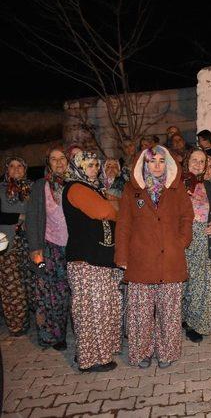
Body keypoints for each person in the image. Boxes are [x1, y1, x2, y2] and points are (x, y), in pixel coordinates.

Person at [116, 145, 193, 368]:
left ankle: (167, 352)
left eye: (161, 160)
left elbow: (187, 217)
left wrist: (181, 242)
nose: (157, 165)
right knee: (141, 312)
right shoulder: (132, 191)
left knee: (169, 311)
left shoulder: (177, 189)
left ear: (167, 163)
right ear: (144, 164)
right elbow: (123, 225)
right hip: (141, 260)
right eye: (152, 161)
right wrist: (122, 255)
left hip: (170, 259)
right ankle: (142, 352)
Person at [62, 152, 120, 372]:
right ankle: (89, 360)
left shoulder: (94, 188)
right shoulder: (76, 188)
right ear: (78, 167)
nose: (94, 168)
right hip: (85, 260)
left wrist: (116, 206)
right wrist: (115, 207)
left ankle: (99, 352)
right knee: (89, 310)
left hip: (97, 259)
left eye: (97, 164)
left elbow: (115, 207)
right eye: (89, 165)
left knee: (101, 308)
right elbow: (105, 210)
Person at [25, 146, 71, 350]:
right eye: (54, 159)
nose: (59, 162)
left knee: (74, 294)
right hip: (49, 248)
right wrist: (35, 249)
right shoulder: (39, 186)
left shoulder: (75, 184)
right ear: (48, 163)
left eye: (62, 158)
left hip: (74, 248)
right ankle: (55, 336)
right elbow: (33, 218)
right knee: (52, 295)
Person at [182, 149, 211, 343]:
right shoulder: (177, 184)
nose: (198, 164)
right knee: (183, 281)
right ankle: (181, 318)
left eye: (202, 161)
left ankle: (196, 324)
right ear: (187, 161)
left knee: (202, 283)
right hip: (183, 238)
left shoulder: (209, 185)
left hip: (205, 239)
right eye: (194, 160)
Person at [0, 157, 32, 337]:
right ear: (7, 170)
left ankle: (30, 319)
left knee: (27, 282)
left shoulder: (32, 188)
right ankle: (16, 324)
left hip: (29, 241)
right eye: (11, 166)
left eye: (20, 165)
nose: (16, 169)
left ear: (25, 169)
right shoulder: (1, 189)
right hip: (7, 242)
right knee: (11, 286)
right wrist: (18, 217)